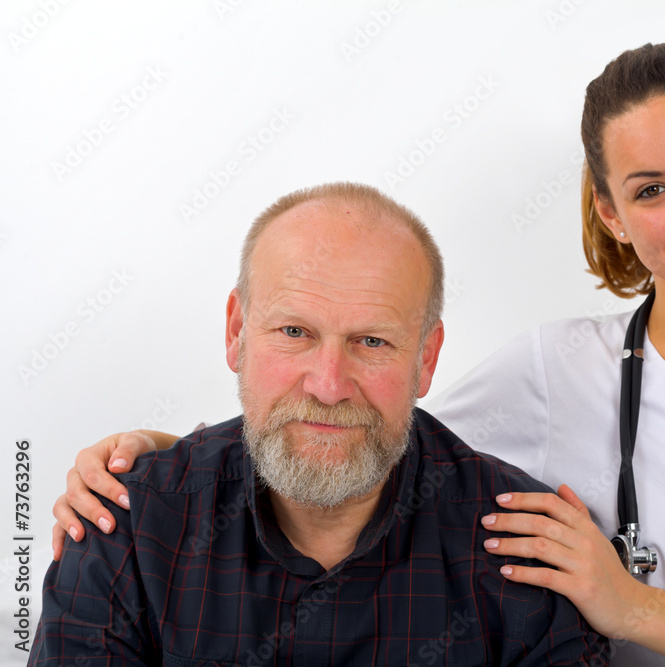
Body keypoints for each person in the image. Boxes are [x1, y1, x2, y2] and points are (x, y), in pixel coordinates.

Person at [52, 44, 665, 666]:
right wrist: (164, 459)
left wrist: (636, 607)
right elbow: (366, 418)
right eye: (652, 188)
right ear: (613, 213)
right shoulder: (555, 368)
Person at [31, 182, 607, 665]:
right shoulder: (126, 527)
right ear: (236, 332)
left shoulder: (529, 555)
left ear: (426, 359)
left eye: (372, 341)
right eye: (294, 332)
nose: (328, 386)